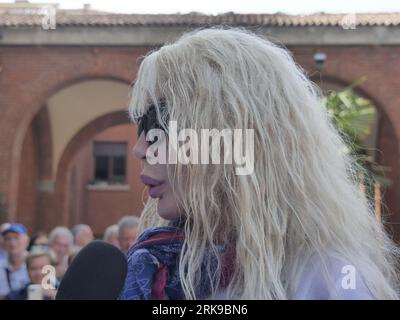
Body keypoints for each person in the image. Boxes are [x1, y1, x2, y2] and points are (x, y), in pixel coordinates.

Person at [119, 28, 399, 300]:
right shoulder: (155, 268)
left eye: (160, 123)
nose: (140, 148)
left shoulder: (328, 280)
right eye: (142, 125)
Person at [0, 223, 30, 299]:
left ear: (26, 241)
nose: (12, 242)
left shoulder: (35, 263)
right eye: (8, 238)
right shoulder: (1, 267)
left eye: (16, 238)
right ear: (3, 243)